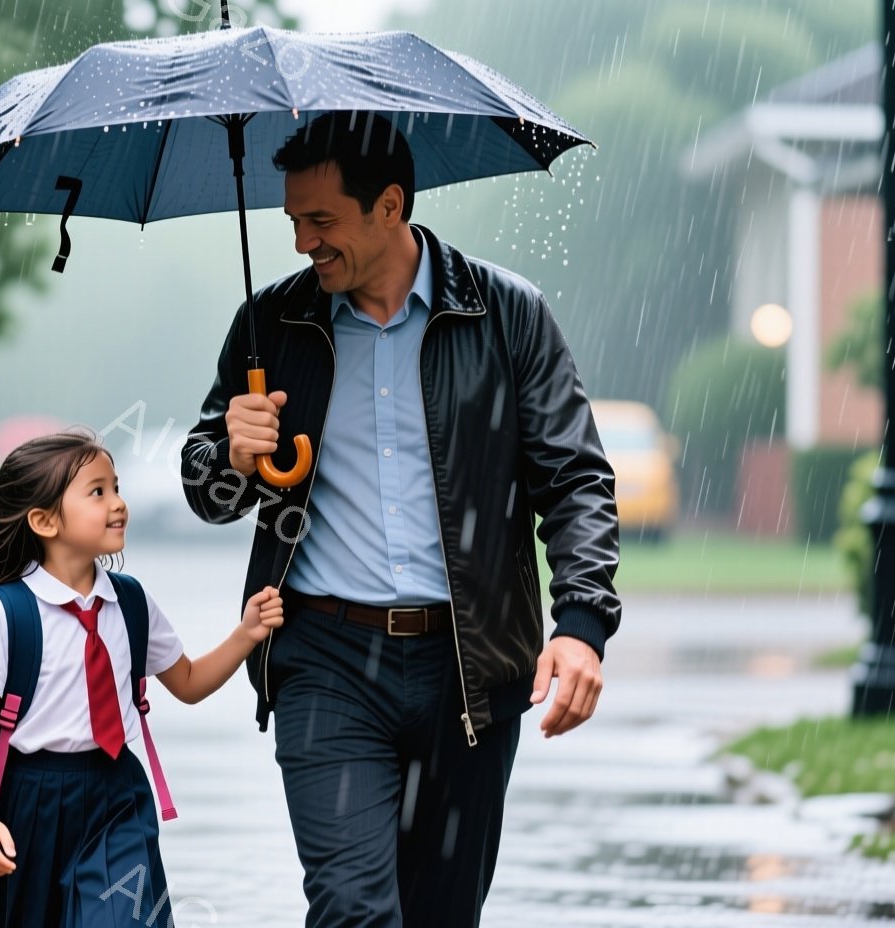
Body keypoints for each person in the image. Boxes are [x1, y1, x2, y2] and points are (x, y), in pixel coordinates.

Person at [181, 112, 623, 927]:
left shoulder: (507, 314)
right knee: (353, 909)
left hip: (471, 662)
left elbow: (575, 479)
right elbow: (206, 492)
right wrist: (232, 458)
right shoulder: (269, 326)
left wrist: (583, 623)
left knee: (440, 915)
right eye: (292, 222)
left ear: (389, 207)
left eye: (321, 221)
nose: (303, 243)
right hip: (323, 660)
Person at [0, 428, 283, 928]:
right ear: (44, 520)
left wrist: (245, 635)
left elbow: (186, 682)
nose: (118, 503)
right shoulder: (8, 613)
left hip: (117, 798)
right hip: (31, 804)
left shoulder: (130, 603)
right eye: (97, 492)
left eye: (116, 487)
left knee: (127, 919)